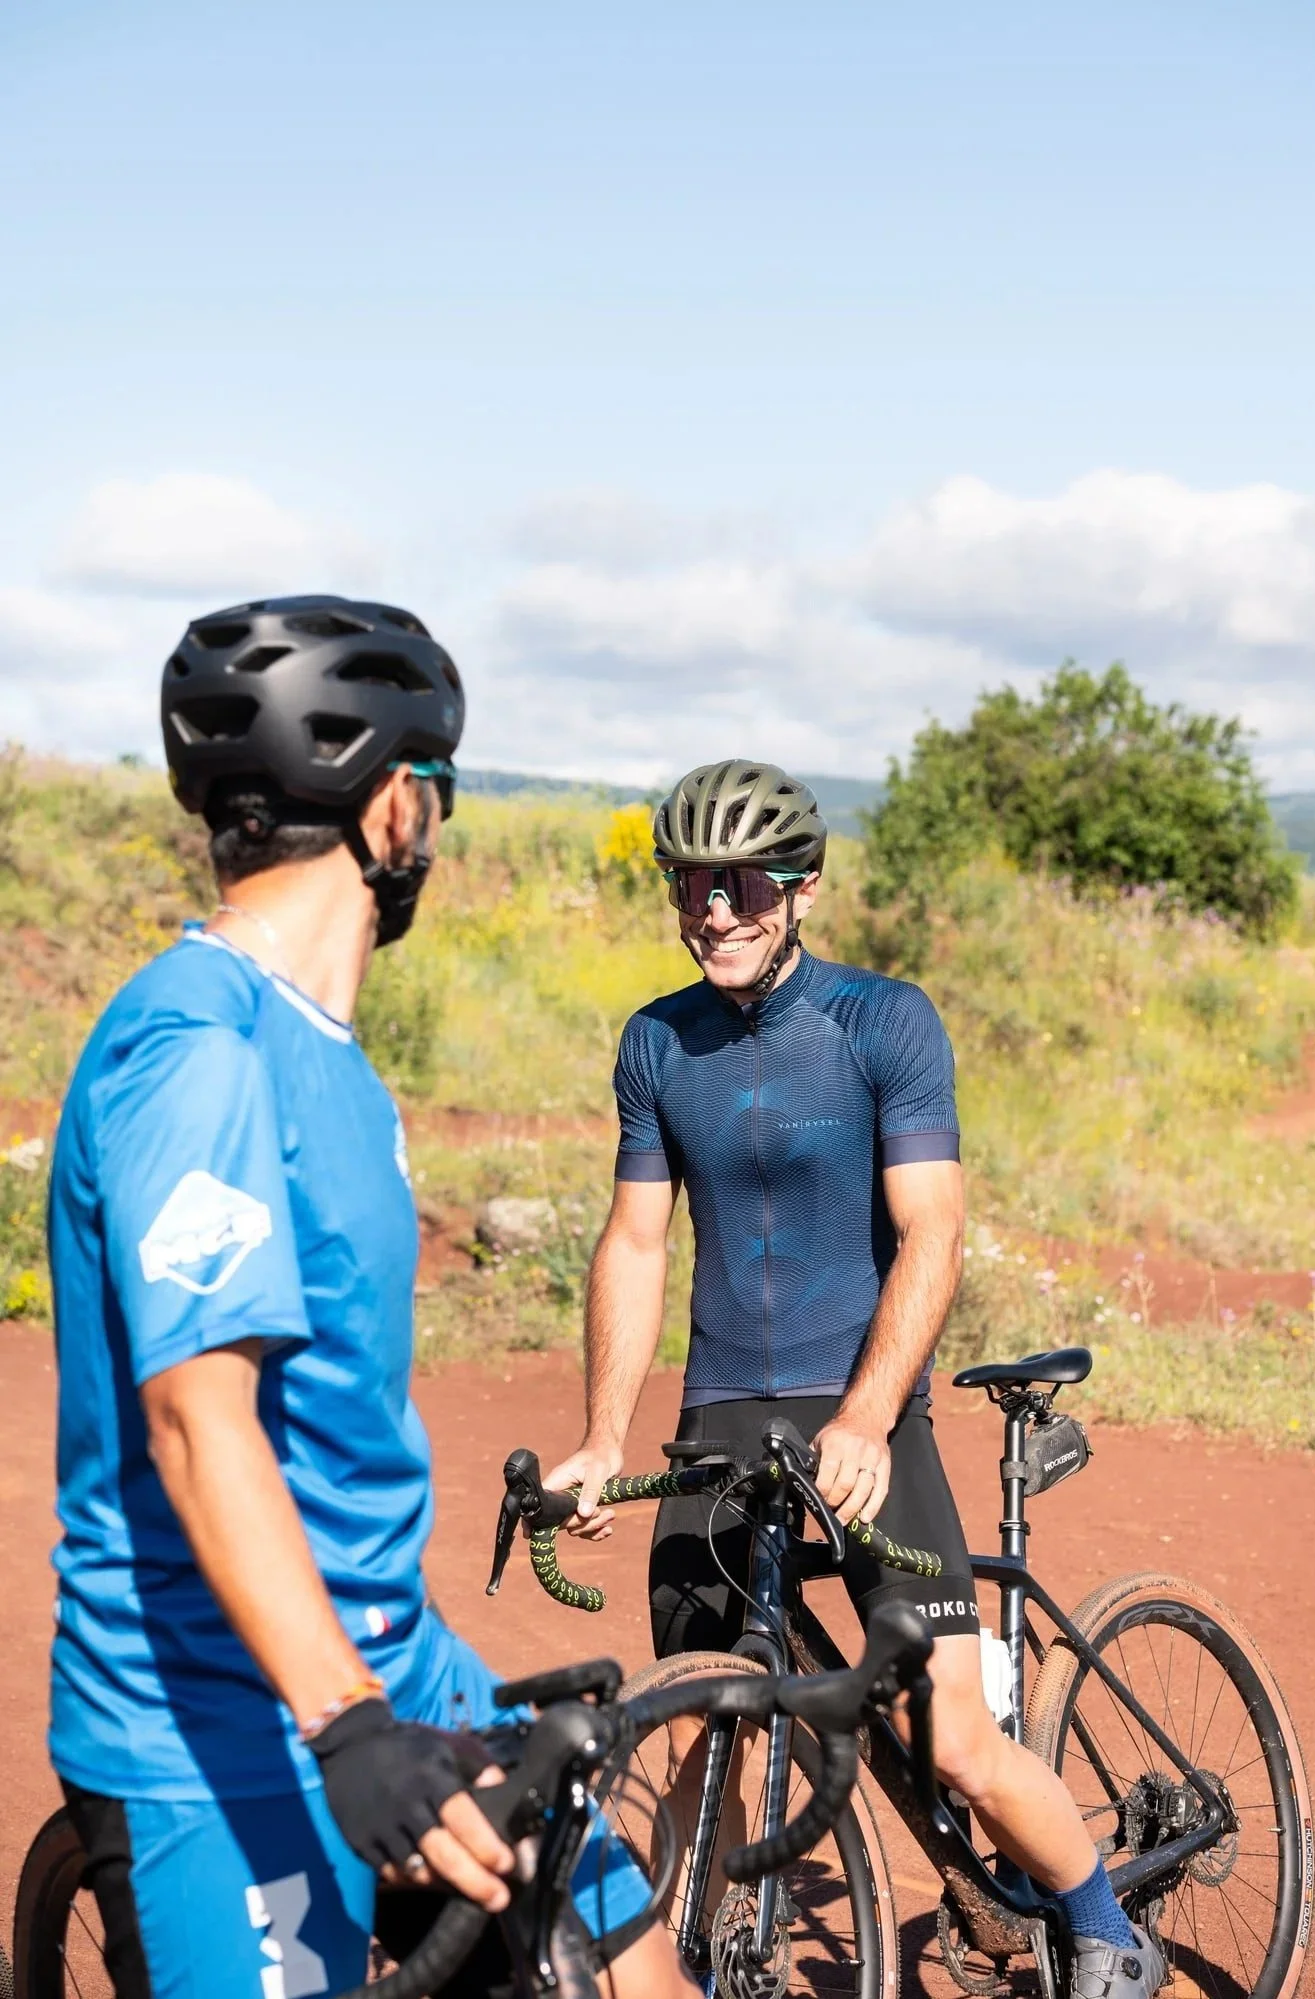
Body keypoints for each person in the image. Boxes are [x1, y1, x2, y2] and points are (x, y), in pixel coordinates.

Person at [47, 596, 693, 1999]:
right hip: (214, 1714)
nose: (435, 829)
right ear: (393, 804)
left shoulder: (327, 1055)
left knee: (645, 1974)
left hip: (400, 1653)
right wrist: (346, 1724)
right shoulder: (195, 1049)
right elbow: (196, 1425)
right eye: (438, 794)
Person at [545, 758, 1164, 1999]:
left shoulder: (885, 1023)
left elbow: (930, 1232)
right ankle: (675, 1972)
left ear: (802, 885)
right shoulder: (656, 1043)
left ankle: (1104, 1927)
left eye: (743, 882)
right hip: (723, 1415)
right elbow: (632, 1240)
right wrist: (604, 1434)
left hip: (865, 1410)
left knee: (951, 1737)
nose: (713, 908)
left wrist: (872, 1417)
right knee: (695, 1738)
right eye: (689, 882)